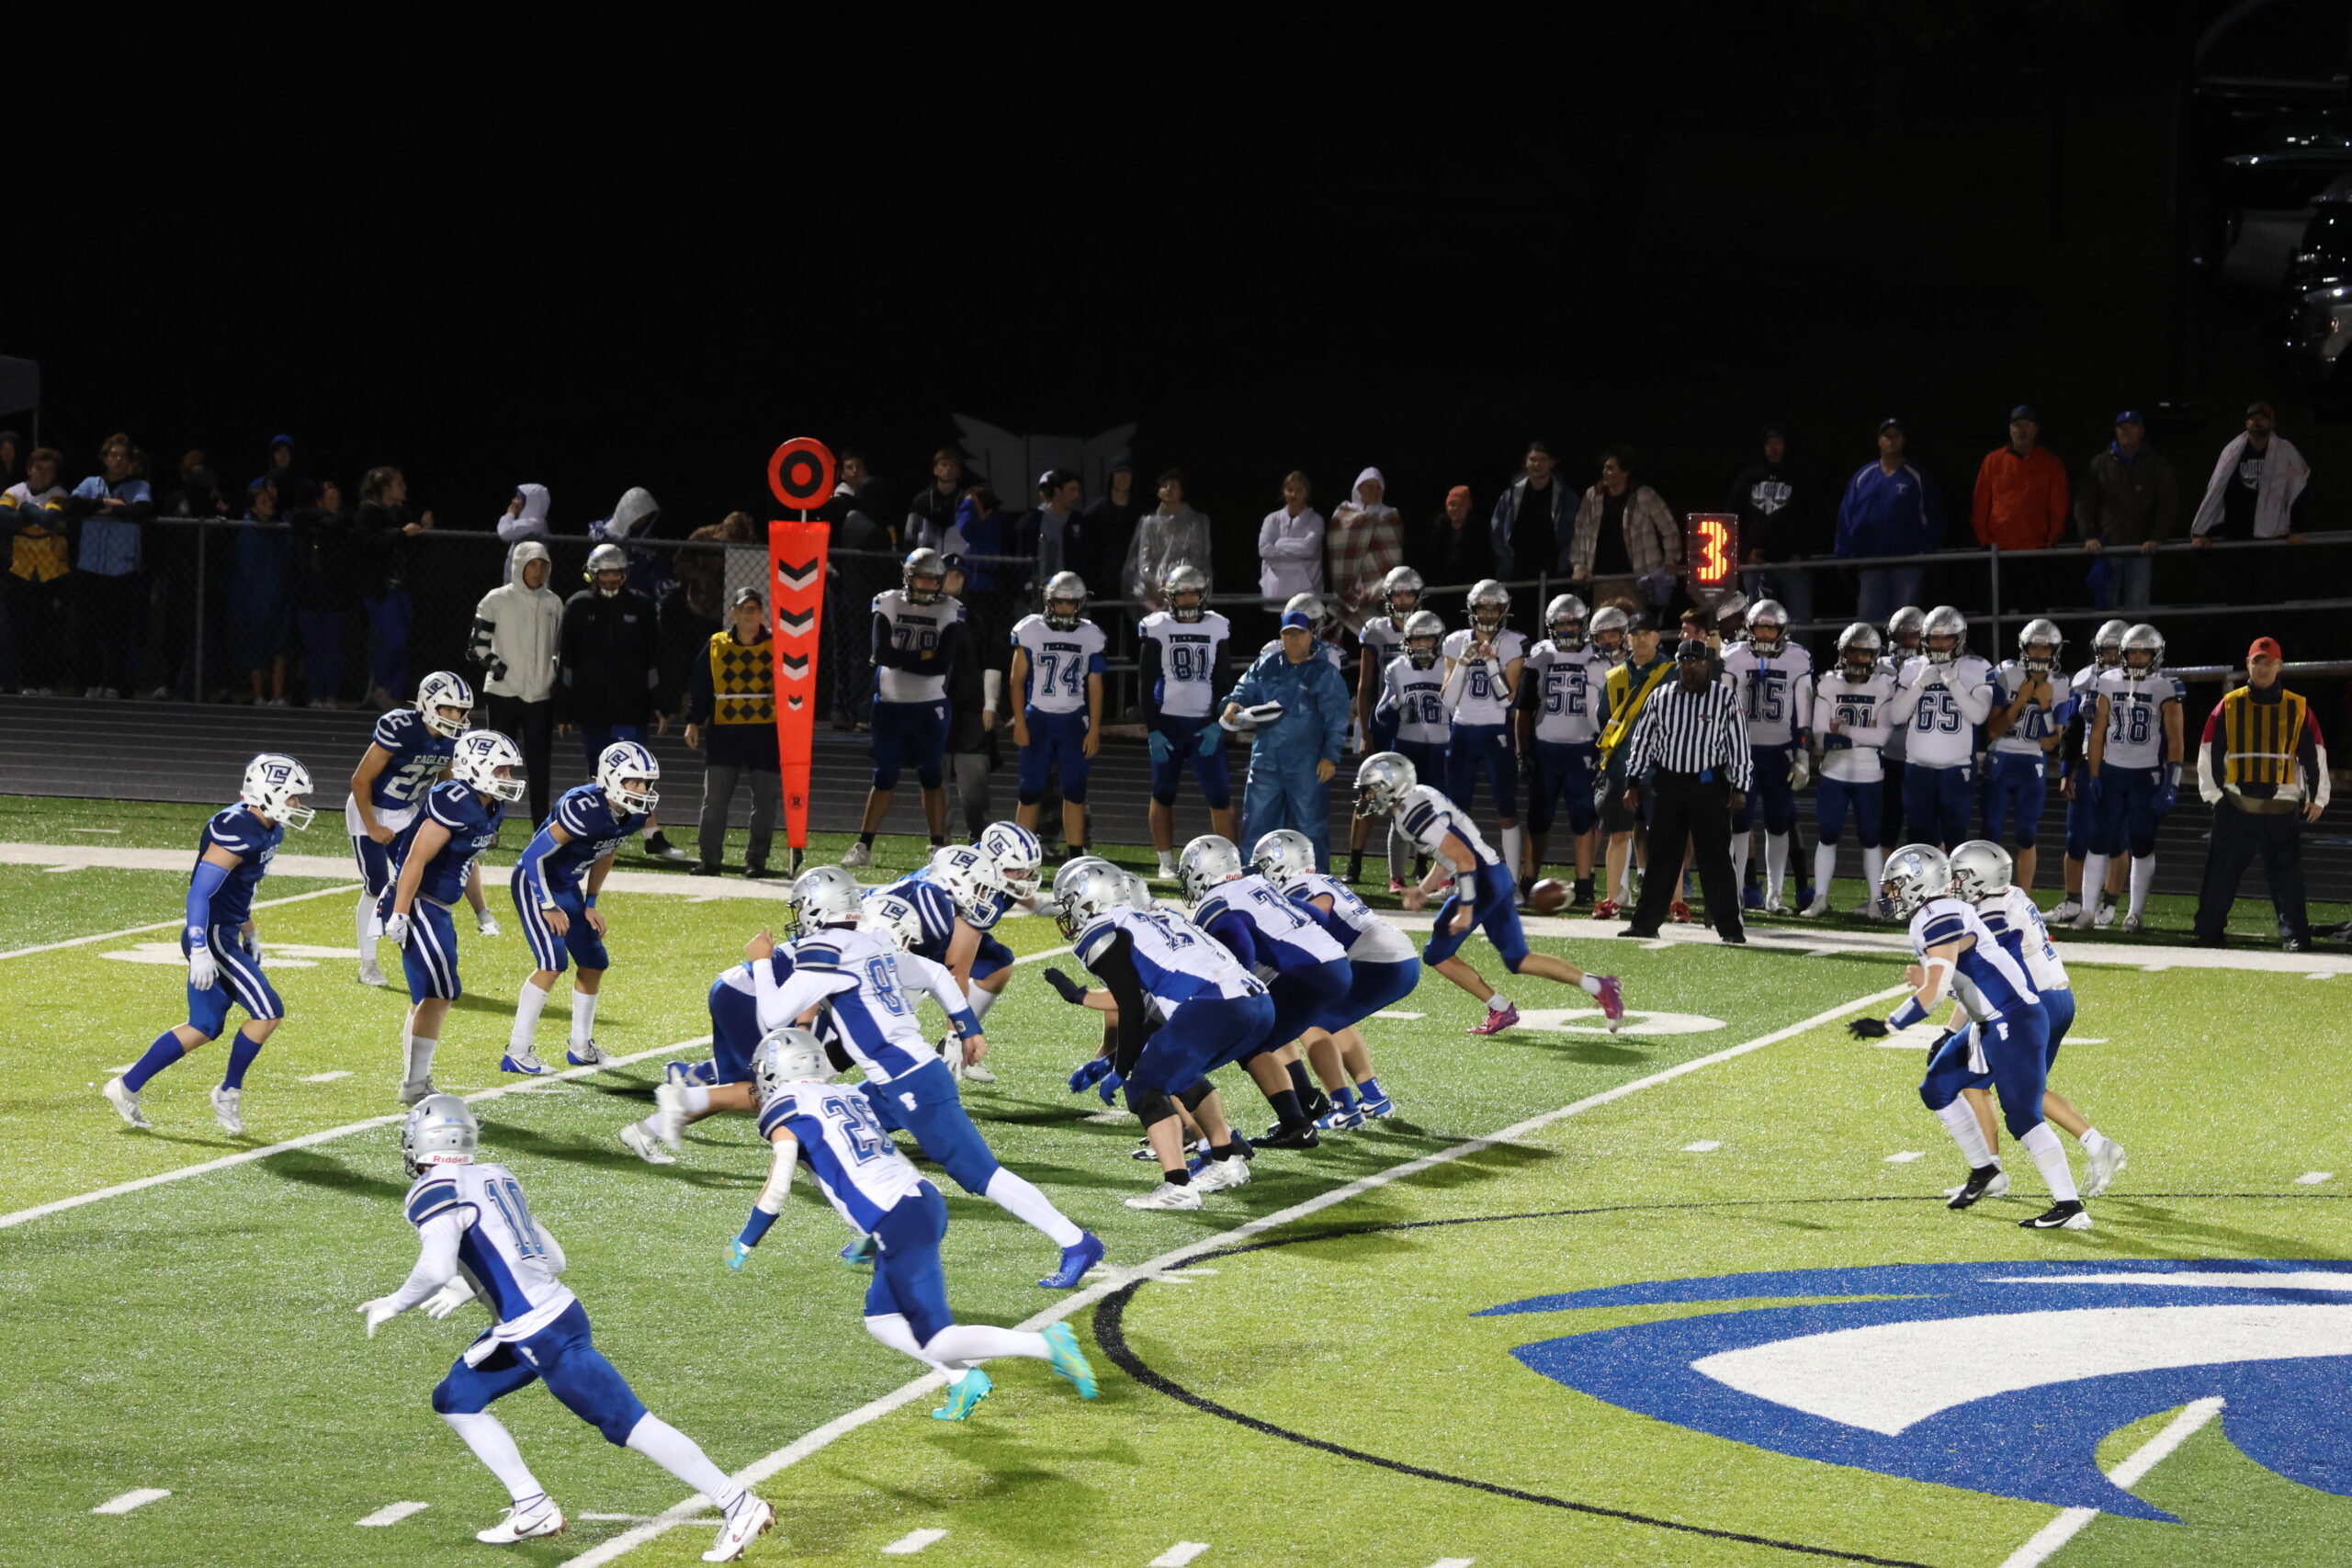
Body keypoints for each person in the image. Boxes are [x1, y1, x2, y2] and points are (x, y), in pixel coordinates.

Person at [360, 1097, 774, 1558]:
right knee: (456, 1399)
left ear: (423, 1140)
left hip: (539, 1333)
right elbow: (553, 1259)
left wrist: (395, 1303)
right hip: (544, 1320)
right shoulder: (495, 1175)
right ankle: (532, 1505)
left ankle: (738, 1503)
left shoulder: (434, 1188)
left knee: (628, 1422)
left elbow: (435, 1268)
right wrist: (471, 1284)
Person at [730, 878, 1105, 1289]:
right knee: (813, 1137)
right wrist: (967, 1027)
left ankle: (1076, 1241)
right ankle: (879, 1228)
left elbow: (774, 1015)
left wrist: (762, 962)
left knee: (980, 1174)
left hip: (911, 1081)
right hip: (892, 1082)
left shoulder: (829, 949)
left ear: (816, 908)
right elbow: (936, 973)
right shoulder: (871, 942)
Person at [725, 1025, 1102, 1420]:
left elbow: (778, 1186)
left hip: (898, 1216)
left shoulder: (786, 1108)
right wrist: (872, 1234)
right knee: (882, 1320)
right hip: (917, 1200)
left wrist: (746, 1240)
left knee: (938, 1339)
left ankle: (1046, 1345)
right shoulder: (848, 1093)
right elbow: (872, 1159)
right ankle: (962, 1379)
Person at [1848, 845, 2086, 1231]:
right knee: (1937, 1087)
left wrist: (1889, 1024)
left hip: (2014, 1020)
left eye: (1895, 885)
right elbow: (1958, 977)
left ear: (1917, 885)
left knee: (2023, 1115)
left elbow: (1936, 991)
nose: (1889, 893)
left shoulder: (1939, 916)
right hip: (1991, 1022)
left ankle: (2070, 1205)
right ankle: (1985, 1170)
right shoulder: (1936, 913)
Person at [104, 753, 315, 1135]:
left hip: (226, 930)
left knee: (203, 1026)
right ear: (267, 794)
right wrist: (201, 947)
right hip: (212, 934)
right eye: (291, 796)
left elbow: (238, 889)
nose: (297, 804)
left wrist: (250, 931)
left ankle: (126, 1086)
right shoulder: (237, 827)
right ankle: (228, 1091)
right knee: (268, 1012)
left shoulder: (269, 828)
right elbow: (199, 893)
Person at [1041, 857, 1269, 1211]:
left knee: (1145, 1085)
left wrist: (1120, 1070)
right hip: (1258, 1004)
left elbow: (1131, 1008)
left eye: (1070, 902)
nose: (1068, 913)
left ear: (1090, 898)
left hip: (1213, 1005)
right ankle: (1225, 1160)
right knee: (1179, 1072)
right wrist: (1113, 1061)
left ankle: (1178, 1186)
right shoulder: (1162, 918)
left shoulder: (1103, 930)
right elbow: (1156, 1013)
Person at [1355, 751, 1622, 1036]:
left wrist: (1466, 909)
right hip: (1495, 874)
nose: (1368, 797)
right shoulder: (1419, 796)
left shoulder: (1411, 814)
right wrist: (1423, 890)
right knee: (1518, 959)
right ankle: (1598, 985)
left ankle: (1500, 1008)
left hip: (1481, 880)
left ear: (1392, 785)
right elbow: (1448, 854)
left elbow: (1464, 859)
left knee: (1436, 954)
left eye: (1372, 790)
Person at [1948, 839, 2128, 1199]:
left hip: (2032, 1004)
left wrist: (1949, 1030)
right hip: (2059, 997)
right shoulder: (2013, 895)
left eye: (1961, 876)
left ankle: (1991, 1173)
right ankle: (2097, 1146)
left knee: (1974, 1079)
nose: (1954, 883)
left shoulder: (1985, 917)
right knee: (2025, 1090)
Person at [1178, 834, 1353, 1147]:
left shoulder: (1215, 902)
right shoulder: (1257, 882)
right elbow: (1313, 916)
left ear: (1203, 871)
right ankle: (1307, 1102)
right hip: (1335, 963)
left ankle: (1297, 1124)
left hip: (1307, 971)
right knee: (1268, 1026)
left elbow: (1236, 954)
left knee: (1249, 1039)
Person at [381, 732, 520, 1103]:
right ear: (476, 768)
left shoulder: (490, 806)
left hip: (438, 908)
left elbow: (467, 860)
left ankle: (414, 1080)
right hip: (418, 902)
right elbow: (416, 859)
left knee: (429, 997)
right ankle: (414, 1084)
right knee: (440, 992)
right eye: (501, 769)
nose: (508, 777)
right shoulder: (453, 799)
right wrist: (400, 912)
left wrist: (482, 910)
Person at [506, 741, 662, 1074]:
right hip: (535, 881)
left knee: (593, 962)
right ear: (611, 778)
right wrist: (547, 905)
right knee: (552, 963)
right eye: (635, 782)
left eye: (647, 783)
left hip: (566, 886)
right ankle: (517, 1051)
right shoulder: (582, 807)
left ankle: (581, 1047)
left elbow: (607, 852)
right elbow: (533, 856)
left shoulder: (635, 812)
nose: (643, 790)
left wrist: (590, 902)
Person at [1251, 828, 1417, 1131]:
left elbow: (1314, 916)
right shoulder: (1321, 878)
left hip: (1377, 960)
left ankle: (1344, 1108)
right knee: (1334, 1018)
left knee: (1311, 1022)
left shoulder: (1297, 887)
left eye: (1264, 866)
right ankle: (1374, 1097)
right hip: (1399, 957)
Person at [2196, 637, 2329, 951]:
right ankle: (2209, 932)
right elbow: (2209, 749)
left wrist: (2317, 798)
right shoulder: (2229, 704)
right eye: (2257, 662)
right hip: (2236, 804)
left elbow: (2314, 753)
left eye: (2269, 663)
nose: (2263, 668)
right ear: (2248, 664)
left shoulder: (2298, 706)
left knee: (2287, 878)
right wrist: (2215, 796)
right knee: (2221, 873)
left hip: (2280, 807)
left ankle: (2295, 934)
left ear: (2279, 666)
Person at [559, 542, 685, 862]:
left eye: (617, 572)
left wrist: (660, 703)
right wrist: (564, 708)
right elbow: (567, 663)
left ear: (625, 573)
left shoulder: (641, 606)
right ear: (593, 573)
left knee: (639, 772)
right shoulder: (577, 606)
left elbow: (654, 659)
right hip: (593, 707)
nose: (612, 578)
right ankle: (596, 833)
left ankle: (652, 836)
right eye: (605, 572)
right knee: (597, 774)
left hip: (631, 707)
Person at [1619, 638, 1751, 943]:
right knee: (1661, 857)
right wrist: (1632, 781)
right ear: (1678, 664)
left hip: (1708, 785)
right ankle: (1645, 923)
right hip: (1669, 785)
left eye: (1698, 661)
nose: (1692, 667)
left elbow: (1739, 746)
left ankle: (1730, 928)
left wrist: (1740, 787)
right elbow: (1643, 741)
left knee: (1715, 858)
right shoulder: (1661, 696)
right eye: (1686, 661)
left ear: (1709, 663)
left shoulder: (1725, 698)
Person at [346, 671, 474, 987]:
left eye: (461, 710)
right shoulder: (400, 727)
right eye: (449, 708)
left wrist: (443, 816)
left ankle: (421, 950)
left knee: (422, 880)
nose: (456, 716)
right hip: (370, 808)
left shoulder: (453, 739)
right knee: (376, 885)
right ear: (429, 704)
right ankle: (368, 964)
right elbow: (360, 780)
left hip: (406, 812)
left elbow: (444, 779)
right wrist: (373, 826)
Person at [845, 547, 967, 867]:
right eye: (920, 578)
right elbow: (881, 655)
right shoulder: (888, 602)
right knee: (884, 776)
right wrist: (922, 657)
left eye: (932, 579)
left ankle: (937, 846)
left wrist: (905, 658)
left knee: (932, 775)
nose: (926, 585)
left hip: (930, 706)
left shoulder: (950, 610)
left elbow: (940, 664)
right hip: (890, 705)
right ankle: (863, 845)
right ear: (908, 577)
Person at [1223, 604, 1351, 872]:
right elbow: (1244, 689)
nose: (1293, 639)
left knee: (1310, 827)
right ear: (1281, 636)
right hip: (1266, 760)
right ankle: (1252, 879)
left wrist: (1330, 756)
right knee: (1255, 824)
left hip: (1307, 764)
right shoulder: (1266, 665)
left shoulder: (1324, 673)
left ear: (1310, 636)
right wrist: (1233, 703)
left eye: (1299, 633)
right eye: (1288, 634)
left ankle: (1316, 881)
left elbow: (1337, 717)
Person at [2079, 624, 2184, 933]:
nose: (2138, 658)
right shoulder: (2108, 680)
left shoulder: (2165, 686)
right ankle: (2087, 910)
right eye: (2132, 652)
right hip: (2112, 771)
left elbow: (2176, 739)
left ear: (2156, 655)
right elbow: (2097, 732)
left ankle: (2135, 913)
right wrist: (2094, 773)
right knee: (2098, 840)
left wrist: (2172, 781)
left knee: (2141, 842)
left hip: (2145, 774)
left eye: (2144, 653)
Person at [1138, 562, 1236, 879]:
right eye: (1182, 595)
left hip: (1203, 724)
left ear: (1203, 595)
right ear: (1170, 598)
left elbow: (1223, 680)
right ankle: (1166, 861)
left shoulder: (1217, 626)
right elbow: (1145, 682)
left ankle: (1229, 862)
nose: (1189, 600)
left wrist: (1217, 722)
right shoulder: (1157, 626)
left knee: (1220, 795)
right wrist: (1153, 729)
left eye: (1194, 594)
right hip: (1168, 723)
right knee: (1162, 792)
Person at [1721, 600, 1815, 913]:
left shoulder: (1797, 657)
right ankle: (1735, 892)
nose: (1763, 634)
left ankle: (1775, 895)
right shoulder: (1733, 655)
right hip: (1742, 752)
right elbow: (1722, 707)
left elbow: (1804, 710)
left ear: (1782, 631)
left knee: (1778, 823)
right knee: (1739, 823)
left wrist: (1803, 753)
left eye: (1770, 629)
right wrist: (1724, 752)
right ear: (1749, 628)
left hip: (1779, 753)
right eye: (1759, 628)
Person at [1521, 593, 1614, 901]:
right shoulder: (1540, 655)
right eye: (1561, 624)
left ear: (1583, 624)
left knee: (1584, 817)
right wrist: (1522, 752)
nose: (1568, 629)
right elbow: (1524, 708)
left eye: (1573, 623)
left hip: (1582, 746)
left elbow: (1609, 709)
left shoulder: (1597, 656)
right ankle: (1528, 878)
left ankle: (1584, 883)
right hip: (1545, 747)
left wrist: (1605, 750)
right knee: (1538, 818)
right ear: (1551, 626)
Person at [1801, 623, 1897, 916]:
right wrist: (1861, 735)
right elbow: (1821, 737)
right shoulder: (1828, 683)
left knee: (1871, 838)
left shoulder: (1884, 685)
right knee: (1828, 834)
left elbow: (1882, 736)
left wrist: (1842, 731)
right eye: (1853, 652)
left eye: (1864, 654)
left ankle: (1875, 901)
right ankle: (1820, 898)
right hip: (1834, 772)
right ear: (1842, 653)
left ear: (1875, 656)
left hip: (1870, 774)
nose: (1858, 659)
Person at [684, 587, 782, 878]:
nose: (749, 615)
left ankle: (756, 861)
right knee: (714, 799)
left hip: (765, 733)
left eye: (754, 609)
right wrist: (693, 721)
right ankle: (710, 859)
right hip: (724, 732)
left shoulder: (776, 645)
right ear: (734, 613)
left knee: (765, 801)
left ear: (762, 613)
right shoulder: (717, 644)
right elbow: (700, 684)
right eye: (744, 609)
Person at [468, 539, 563, 827]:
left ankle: (541, 827)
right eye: (532, 564)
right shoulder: (496, 599)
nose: (538, 571)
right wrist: (501, 670)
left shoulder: (554, 603)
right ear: (519, 566)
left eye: (543, 565)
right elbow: (476, 646)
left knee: (540, 766)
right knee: (496, 763)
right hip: (503, 694)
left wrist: (553, 677)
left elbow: (559, 648)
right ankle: (489, 824)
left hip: (541, 697)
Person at [1440, 580, 1527, 874]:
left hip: (1495, 732)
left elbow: (1507, 700)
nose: (1488, 614)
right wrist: (1462, 664)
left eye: (1494, 608)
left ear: (1504, 610)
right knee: (1455, 810)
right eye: (1483, 608)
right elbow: (1448, 701)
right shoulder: (1455, 641)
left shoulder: (1513, 642)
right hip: (1462, 730)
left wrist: (1491, 665)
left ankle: (1511, 881)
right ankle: (1453, 878)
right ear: (1472, 609)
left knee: (1506, 807)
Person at [1886, 607, 1990, 851]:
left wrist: (1952, 683)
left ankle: (1952, 877)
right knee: (1919, 837)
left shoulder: (1975, 666)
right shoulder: (1913, 666)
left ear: (1959, 638)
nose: (1940, 644)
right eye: (1935, 638)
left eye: (1947, 638)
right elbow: (1896, 716)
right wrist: (1919, 684)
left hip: (1956, 768)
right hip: (1917, 767)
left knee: (1955, 836)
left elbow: (1978, 715)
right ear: (1925, 639)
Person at [2188, 401, 2311, 605]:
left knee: (2269, 598)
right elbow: (2216, 491)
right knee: (2237, 598)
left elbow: (2299, 488)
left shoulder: (2286, 451)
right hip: (2237, 537)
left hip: (2272, 537)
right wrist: (2203, 532)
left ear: (2272, 423)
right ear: (2246, 423)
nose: (2257, 422)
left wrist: (2296, 528)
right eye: (2252, 419)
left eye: (2262, 418)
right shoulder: (2233, 451)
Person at [1592, 608, 1671, 919]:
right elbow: (1605, 719)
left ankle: (1673, 901)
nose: (1640, 640)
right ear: (1628, 638)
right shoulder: (1616, 677)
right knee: (1618, 834)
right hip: (1622, 767)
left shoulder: (1672, 671)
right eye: (1635, 634)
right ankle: (1613, 898)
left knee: (1667, 836)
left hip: (1662, 766)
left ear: (1656, 637)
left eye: (1645, 634)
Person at [2050, 619, 2130, 924]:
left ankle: (2109, 905)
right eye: (2107, 650)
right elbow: (2073, 726)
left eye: (2117, 651)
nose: (2112, 656)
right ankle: (2073, 902)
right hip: (2085, 763)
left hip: (2122, 765)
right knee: (2076, 837)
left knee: (2116, 839)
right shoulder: (2085, 679)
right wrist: (2066, 770)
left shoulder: (2143, 683)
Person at [1983, 619, 2069, 894]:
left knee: (2027, 833)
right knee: (1990, 832)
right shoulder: (2007, 674)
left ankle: (2024, 897)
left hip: (2032, 762)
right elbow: (1993, 731)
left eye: (2045, 648)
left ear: (2054, 651)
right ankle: (1986, 893)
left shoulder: (2060, 684)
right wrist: (2020, 700)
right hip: (2001, 757)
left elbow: (2050, 743)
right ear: (2024, 647)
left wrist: (2044, 704)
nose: (2039, 653)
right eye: (2034, 646)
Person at [1349, 567, 1423, 886]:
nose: (1403, 600)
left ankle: (1421, 863)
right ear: (1388, 597)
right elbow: (1365, 686)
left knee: (1418, 795)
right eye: (1398, 594)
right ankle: (1354, 863)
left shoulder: (1429, 627)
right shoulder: (1376, 630)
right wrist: (1366, 731)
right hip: (1383, 721)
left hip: (1418, 723)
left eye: (1409, 594)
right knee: (1368, 793)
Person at [66, 433, 153, 698]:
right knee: (86, 630)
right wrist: (107, 502)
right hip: (90, 566)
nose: (118, 460)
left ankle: (115, 684)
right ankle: (90, 683)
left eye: (123, 456)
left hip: (121, 568)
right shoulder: (91, 483)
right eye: (113, 455)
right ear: (104, 458)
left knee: (117, 631)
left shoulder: (139, 486)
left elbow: (140, 511)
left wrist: (107, 510)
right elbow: (73, 505)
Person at [1836, 420, 1943, 626]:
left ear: (1903, 440)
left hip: (1907, 561)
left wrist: (1927, 549)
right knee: (1868, 622)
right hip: (1870, 561)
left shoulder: (1916, 476)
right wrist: (1843, 551)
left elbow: (1933, 515)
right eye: (1887, 435)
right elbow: (1846, 516)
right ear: (1879, 441)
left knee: (1905, 623)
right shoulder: (1863, 476)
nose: (1891, 440)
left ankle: (1903, 649)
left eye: (1896, 435)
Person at [1374, 609, 1452, 893]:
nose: (1422, 645)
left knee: (1440, 815)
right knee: (1401, 814)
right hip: (1407, 747)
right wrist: (1395, 704)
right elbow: (1380, 717)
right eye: (1416, 640)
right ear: (1407, 641)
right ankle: (1397, 877)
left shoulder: (1450, 665)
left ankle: (1442, 875)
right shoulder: (1397, 668)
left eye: (1427, 639)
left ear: (1438, 640)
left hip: (1441, 747)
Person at [1726, 423, 1824, 649]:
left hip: (1792, 564)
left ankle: (1802, 665)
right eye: (1769, 443)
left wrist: (1802, 553)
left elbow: (1816, 517)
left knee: (1799, 625)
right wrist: (1744, 554)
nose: (1773, 448)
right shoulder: (1748, 478)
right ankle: (1757, 664)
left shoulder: (1800, 477)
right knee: (1757, 622)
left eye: (1778, 442)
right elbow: (1731, 518)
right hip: (1756, 563)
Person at [1968, 406, 2070, 611]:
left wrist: (2053, 537)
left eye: (2027, 425)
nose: (2021, 430)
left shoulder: (2050, 462)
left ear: (2036, 429)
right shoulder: (1993, 460)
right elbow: (1980, 503)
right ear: (2010, 429)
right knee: (1996, 612)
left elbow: (2058, 503)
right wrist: (1985, 541)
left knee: (2033, 614)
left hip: (2035, 550)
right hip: (1999, 551)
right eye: (2017, 425)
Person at [2075, 412, 2177, 613]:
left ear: (2141, 431)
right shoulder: (2100, 463)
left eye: (2131, 427)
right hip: (2108, 548)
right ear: (2116, 431)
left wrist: (2157, 537)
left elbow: (2168, 504)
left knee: (2138, 609)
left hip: (2141, 549)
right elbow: (2084, 502)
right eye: (2122, 427)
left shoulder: (2155, 465)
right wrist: (2089, 536)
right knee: (2106, 610)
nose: (2126, 431)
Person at [352, 467, 434, 709]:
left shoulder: (399, 512)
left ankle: (392, 692)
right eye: (399, 484)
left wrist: (422, 529)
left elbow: (410, 546)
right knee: (393, 639)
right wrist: (402, 534)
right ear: (386, 488)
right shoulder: (368, 512)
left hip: (400, 587)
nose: (404, 488)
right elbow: (369, 544)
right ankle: (379, 687)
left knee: (403, 640)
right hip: (379, 588)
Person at [1568, 446, 1679, 614]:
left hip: (1637, 579)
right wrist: (1578, 565)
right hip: (1602, 579)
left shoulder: (1644, 495)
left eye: (1610, 468)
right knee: (1604, 624)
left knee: (1635, 624)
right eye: (1604, 468)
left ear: (1625, 472)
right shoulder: (1593, 496)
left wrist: (1670, 560)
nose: (1605, 472)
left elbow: (1669, 529)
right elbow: (1580, 532)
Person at [939, 560, 1000, 840]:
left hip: (970, 706)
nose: (955, 579)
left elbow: (991, 660)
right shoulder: (924, 612)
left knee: (974, 779)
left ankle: (978, 834)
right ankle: (938, 837)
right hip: (934, 704)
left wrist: (990, 704)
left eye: (959, 574)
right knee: (934, 778)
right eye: (949, 574)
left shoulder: (976, 616)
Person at [287, 479, 361, 708]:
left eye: (337, 499)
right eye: (330, 499)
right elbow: (295, 516)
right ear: (320, 502)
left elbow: (343, 521)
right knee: (313, 648)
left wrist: (330, 520)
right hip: (310, 596)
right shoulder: (310, 523)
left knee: (333, 647)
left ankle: (331, 696)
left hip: (336, 597)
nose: (335, 503)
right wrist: (322, 517)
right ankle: (316, 695)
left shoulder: (344, 523)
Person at [5, 448, 73, 694]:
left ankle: (47, 682)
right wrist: (33, 513)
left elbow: (48, 519)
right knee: (22, 630)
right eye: (39, 469)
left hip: (51, 572)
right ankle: (27, 682)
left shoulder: (59, 494)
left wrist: (23, 509)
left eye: (49, 470)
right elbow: (3, 517)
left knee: (49, 631)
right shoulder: (14, 491)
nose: (44, 474)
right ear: (29, 469)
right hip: (21, 571)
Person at [229, 481, 296, 707]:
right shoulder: (248, 531)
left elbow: (289, 553)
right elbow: (245, 569)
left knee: (279, 649)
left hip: (278, 598)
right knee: (255, 649)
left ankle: (277, 696)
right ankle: (258, 696)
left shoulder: (280, 528)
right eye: (263, 502)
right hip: (255, 601)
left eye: (270, 501)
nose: (269, 506)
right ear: (254, 508)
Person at [1489, 442, 1571, 624]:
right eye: (1533, 459)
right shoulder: (1510, 496)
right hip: (1517, 573)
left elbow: (1572, 534)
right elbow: (1497, 532)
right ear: (1525, 462)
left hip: (1553, 574)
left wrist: (1563, 566)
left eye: (1542, 460)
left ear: (1552, 463)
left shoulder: (1566, 497)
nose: (1537, 464)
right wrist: (1507, 563)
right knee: (1517, 623)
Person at [1327, 468, 1405, 632]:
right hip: (1350, 587)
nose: (1373, 491)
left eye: (1378, 487)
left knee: (1382, 634)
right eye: (1369, 486)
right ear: (1359, 488)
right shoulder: (1344, 514)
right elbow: (1338, 548)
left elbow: (1393, 554)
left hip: (1379, 590)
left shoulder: (1389, 515)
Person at [1125, 468, 1213, 608]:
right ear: (1158, 491)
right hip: (1156, 593)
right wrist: (1157, 582)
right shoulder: (1150, 522)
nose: (1169, 489)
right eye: (1164, 486)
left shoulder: (1193, 522)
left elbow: (1197, 557)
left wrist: (1178, 580)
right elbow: (1144, 560)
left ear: (1182, 492)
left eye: (1174, 486)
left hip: (1186, 588)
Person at [1258, 470, 1324, 604]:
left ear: (1306, 493)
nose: (1294, 494)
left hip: (1306, 595)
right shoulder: (1272, 519)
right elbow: (1264, 550)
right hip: (1275, 593)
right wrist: (1296, 556)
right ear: (1283, 492)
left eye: (1299, 490)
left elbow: (1308, 549)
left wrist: (1280, 543)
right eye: (1290, 490)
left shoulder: (1315, 520)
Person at [1081, 454, 1142, 594]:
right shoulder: (1093, 514)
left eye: (1127, 473)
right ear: (1111, 476)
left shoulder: (1142, 516)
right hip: (1101, 590)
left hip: (1134, 588)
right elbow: (1086, 555)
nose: (1123, 477)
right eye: (1118, 472)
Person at [1014, 469, 1085, 590]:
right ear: (1057, 491)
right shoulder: (1032, 521)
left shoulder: (1078, 521)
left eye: (1077, 490)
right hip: (1040, 589)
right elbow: (1022, 557)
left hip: (1071, 589)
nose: (1076, 495)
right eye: (1072, 490)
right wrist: (1028, 584)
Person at [1420, 483, 1493, 588]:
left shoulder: (1478, 533)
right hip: (1443, 588)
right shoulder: (1439, 531)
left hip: (1468, 587)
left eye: (1461, 505)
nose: (1455, 509)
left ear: (1468, 508)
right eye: (1452, 504)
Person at [905, 447, 967, 555]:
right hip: (926, 560)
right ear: (935, 470)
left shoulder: (967, 501)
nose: (948, 468)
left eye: (953, 465)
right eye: (943, 464)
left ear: (959, 471)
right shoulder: (921, 501)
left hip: (958, 561)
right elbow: (909, 535)